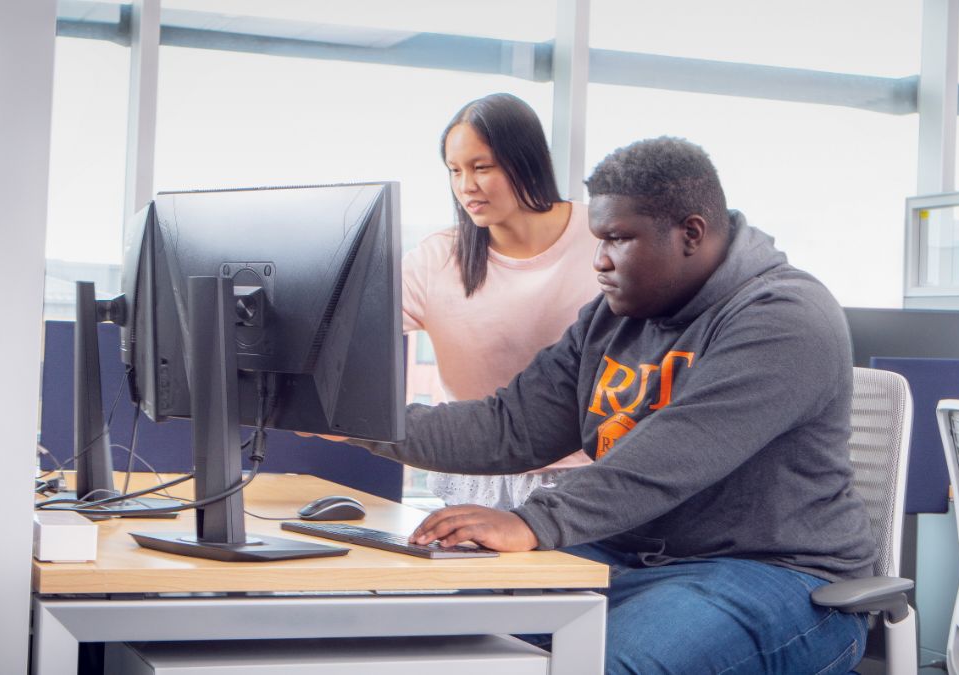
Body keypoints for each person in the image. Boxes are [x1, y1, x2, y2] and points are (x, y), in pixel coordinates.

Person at [352, 136, 876, 674]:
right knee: (427, 633)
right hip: (624, 555)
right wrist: (352, 420)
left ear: (690, 233)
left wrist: (532, 522)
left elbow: (673, 455)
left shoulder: (783, 317)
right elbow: (509, 428)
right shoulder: (612, 315)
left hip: (771, 573)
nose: (598, 261)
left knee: (600, 665)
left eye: (618, 239)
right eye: (597, 239)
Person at [403, 92, 596, 509]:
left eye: (481, 167)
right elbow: (347, 332)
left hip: (589, 478)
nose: (466, 186)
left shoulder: (600, 237)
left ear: (526, 160)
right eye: (454, 171)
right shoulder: (436, 259)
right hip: (480, 475)